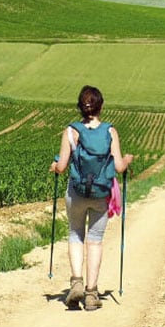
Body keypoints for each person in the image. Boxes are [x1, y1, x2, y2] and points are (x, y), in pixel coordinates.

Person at [50, 85, 133, 310]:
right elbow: (117, 167)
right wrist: (127, 160)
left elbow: (62, 166)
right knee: (95, 239)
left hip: (76, 193)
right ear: (100, 106)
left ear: (80, 106)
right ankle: (91, 293)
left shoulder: (71, 131)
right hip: (101, 194)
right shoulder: (109, 131)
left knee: (75, 233)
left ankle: (76, 281)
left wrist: (55, 166)